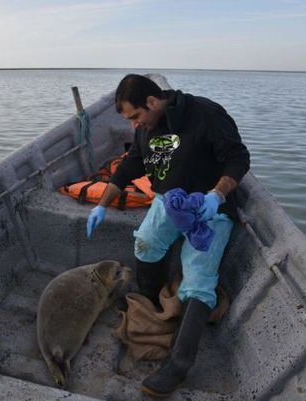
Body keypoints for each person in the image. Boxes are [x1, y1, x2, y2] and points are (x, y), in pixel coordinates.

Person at [86, 74, 250, 398]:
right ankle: (150, 304)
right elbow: (129, 167)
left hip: (208, 207)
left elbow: (238, 158)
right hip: (167, 201)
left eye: (135, 116)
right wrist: (101, 205)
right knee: (145, 243)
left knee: (199, 279)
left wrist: (215, 196)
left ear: (152, 101)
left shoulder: (204, 113)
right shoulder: (146, 130)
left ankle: (178, 364)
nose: (134, 125)